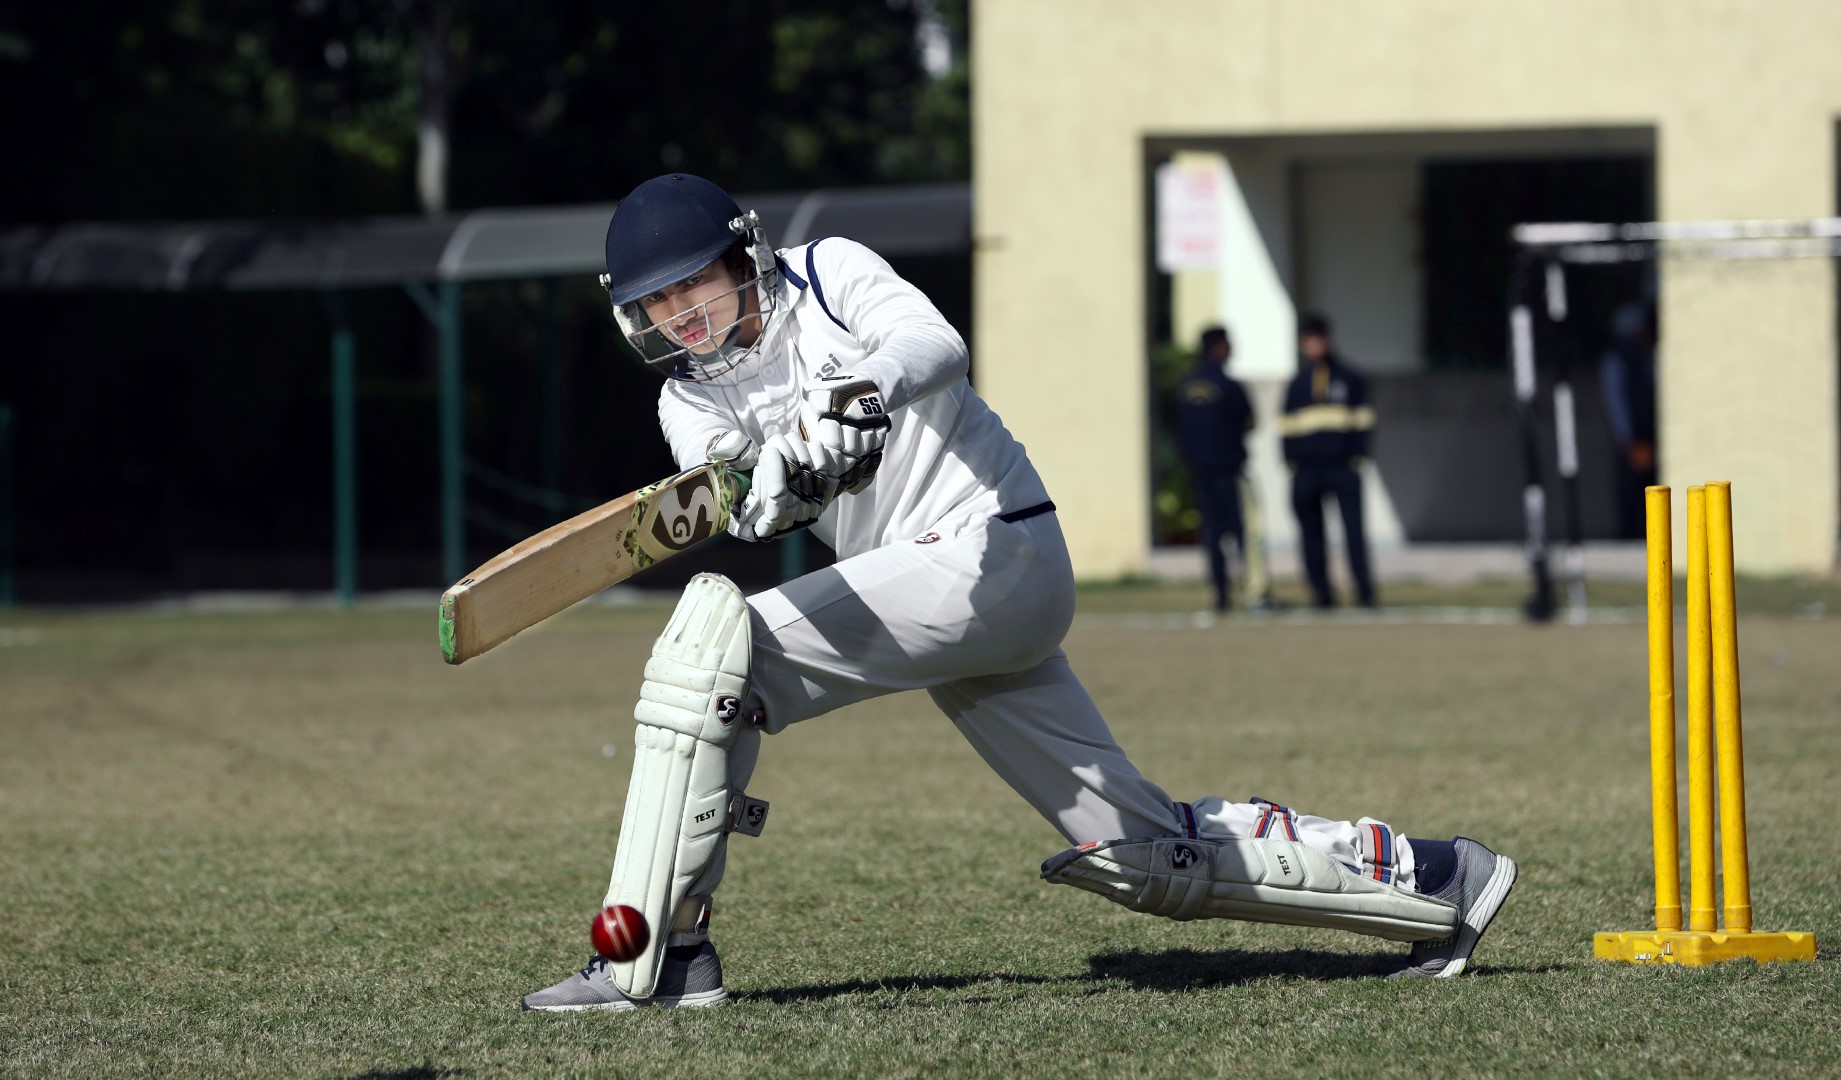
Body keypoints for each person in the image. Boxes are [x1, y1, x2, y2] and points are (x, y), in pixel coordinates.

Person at [520, 175, 1516, 1011]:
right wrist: (784, 483)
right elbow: (739, 510)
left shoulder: (828, 272)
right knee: (1136, 858)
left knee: (711, 651)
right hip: (928, 598)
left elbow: (933, 347)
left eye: (694, 283)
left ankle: (651, 957)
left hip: (993, 551)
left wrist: (851, 403)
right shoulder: (686, 399)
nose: (681, 314)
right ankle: (1437, 882)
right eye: (657, 304)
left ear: (743, 257)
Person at [1281, 313, 1377, 609]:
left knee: (1354, 533)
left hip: (1341, 467)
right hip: (1308, 470)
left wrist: (1357, 457)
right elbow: (1286, 427)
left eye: (1318, 340)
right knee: (1311, 536)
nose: (1314, 346)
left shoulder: (1349, 378)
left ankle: (1364, 593)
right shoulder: (1297, 383)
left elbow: (1364, 421)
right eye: (1309, 341)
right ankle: (1321, 594)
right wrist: (1292, 462)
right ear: (1302, 344)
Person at [1175, 326, 1254, 612]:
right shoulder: (1228, 385)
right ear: (1219, 348)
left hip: (1200, 471)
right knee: (1240, 532)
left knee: (1211, 533)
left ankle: (1219, 595)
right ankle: (1250, 591)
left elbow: (1180, 429)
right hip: (1228, 469)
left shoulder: (1186, 385)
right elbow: (1248, 421)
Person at [1600, 302, 1657, 540]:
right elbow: (1616, 402)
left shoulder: (1646, 358)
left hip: (1648, 435)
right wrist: (1628, 439)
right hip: (1631, 440)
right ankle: (1628, 537)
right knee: (1630, 494)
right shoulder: (1616, 360)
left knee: (1652, 493)